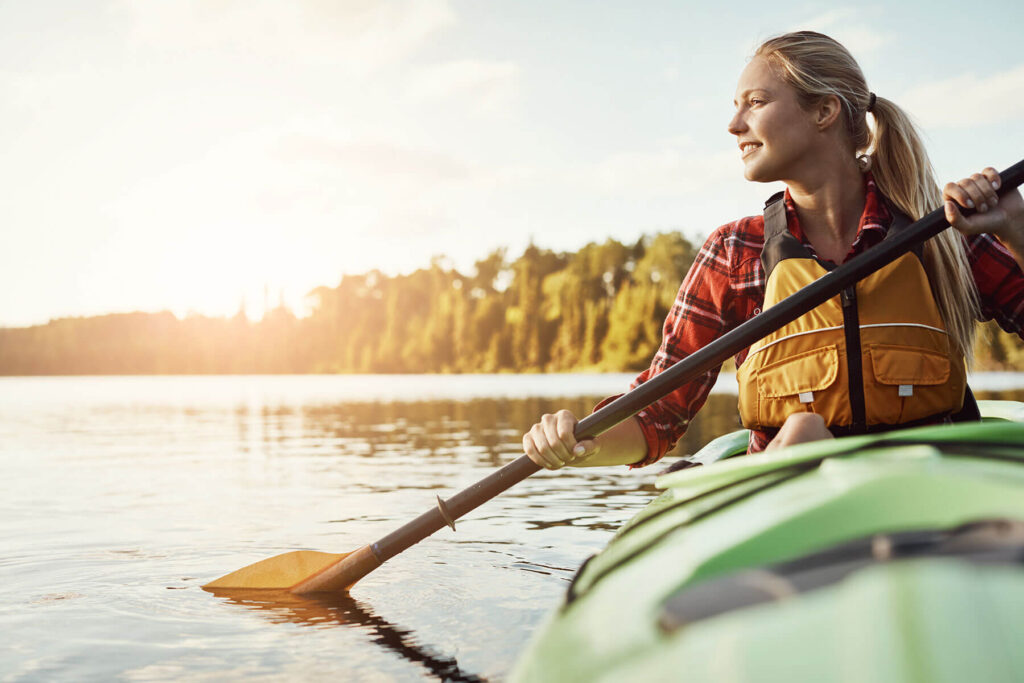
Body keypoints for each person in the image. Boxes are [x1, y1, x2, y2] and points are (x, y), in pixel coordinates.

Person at [522, 31, 1024, 471]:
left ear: (824, 111)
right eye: (734, 106)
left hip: (933, 490)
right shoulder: (735, 253)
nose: (733, 124)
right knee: (803, 429)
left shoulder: (941, 234)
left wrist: (1017, 232)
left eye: (755, 102)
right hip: (788, 505)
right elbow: (658, 416)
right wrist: (577, 443)